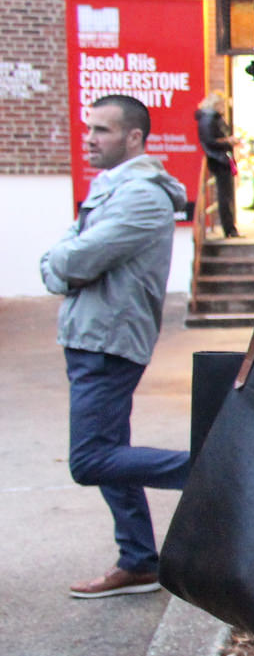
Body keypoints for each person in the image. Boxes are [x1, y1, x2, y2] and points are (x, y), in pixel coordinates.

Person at [41, 94, 191, 599]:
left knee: (90, 459)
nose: (90, 138)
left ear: (134, 138)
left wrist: (60, 263)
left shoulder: (142, 197)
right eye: (90, 129)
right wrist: (61, 261)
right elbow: (65, 255)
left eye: (102, 130)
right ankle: (139, 559)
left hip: (108, 341)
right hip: (88, 335)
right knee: (111, 450)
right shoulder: (110, 189)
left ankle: (210, 471)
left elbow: (75, 260)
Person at [196, 93, 238, 237]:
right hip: (219, 159)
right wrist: (228, 141)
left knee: (225, 194)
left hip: (219, 158)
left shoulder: (210, 117)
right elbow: (210, 140)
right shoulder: (209, 118)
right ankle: (229, 228)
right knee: (224, 195)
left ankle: (230, 227)